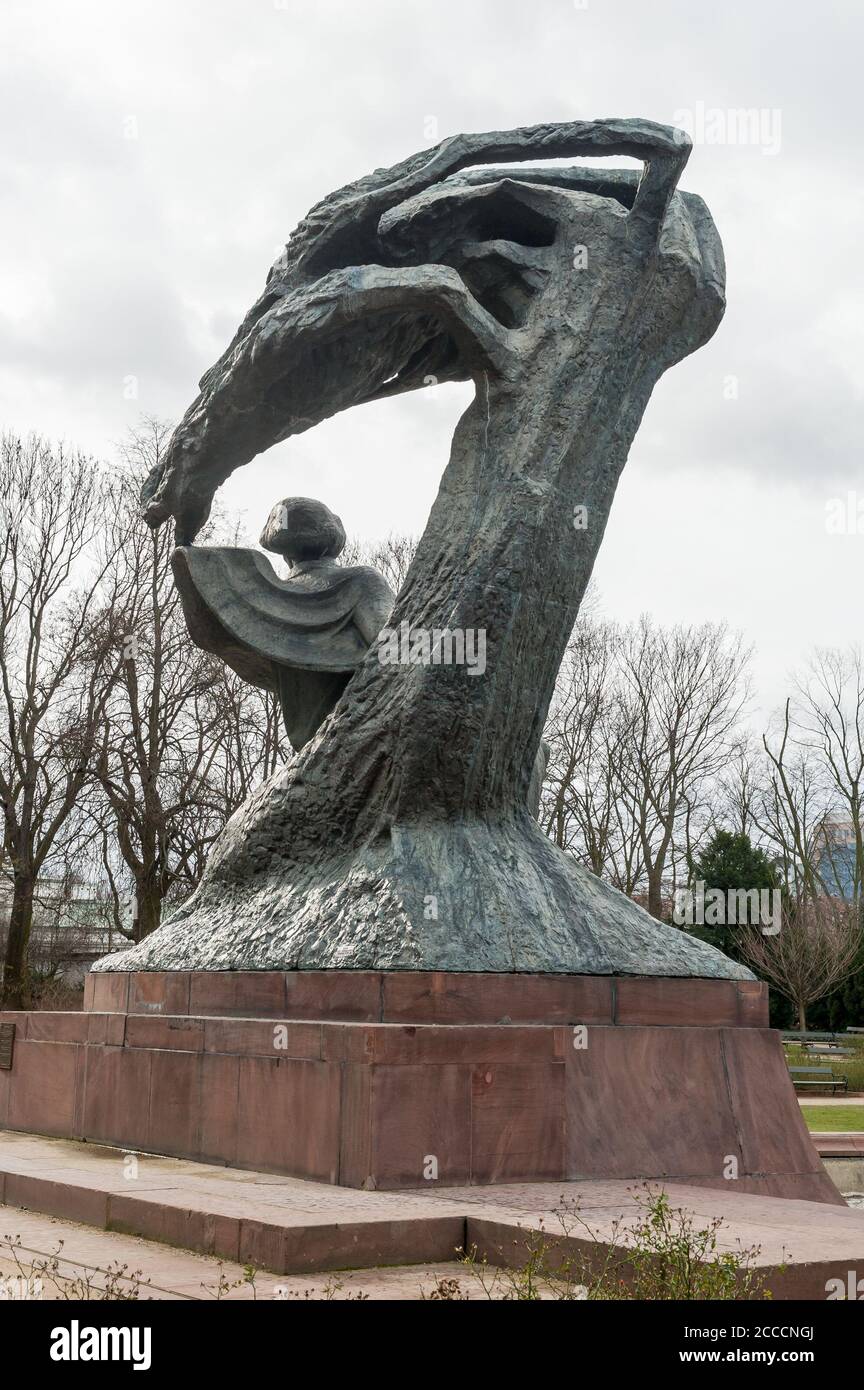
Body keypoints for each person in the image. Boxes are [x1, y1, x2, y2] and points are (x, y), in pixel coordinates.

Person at [172, 497, 395, 751]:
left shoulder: (269, 607)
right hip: (369, 738)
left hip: (312, 750)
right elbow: (396, 649)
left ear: (285, 554)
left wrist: (184, 537)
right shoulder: (362, 581)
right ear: (333, 540)